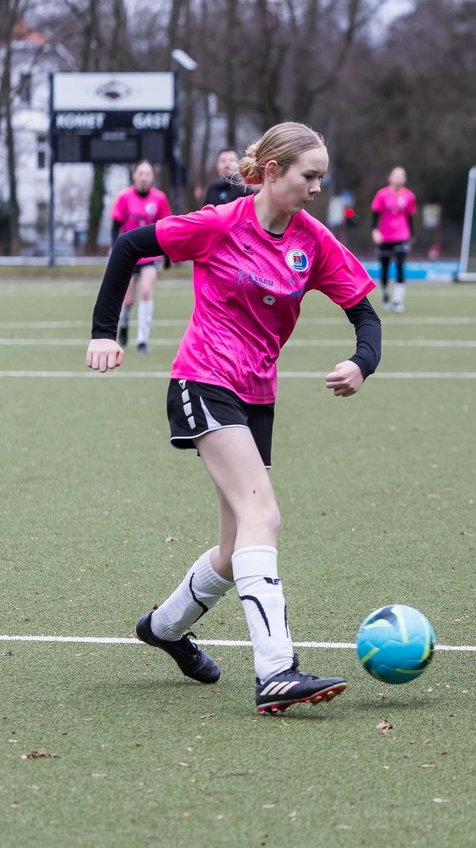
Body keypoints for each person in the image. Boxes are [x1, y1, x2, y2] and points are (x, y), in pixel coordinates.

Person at [86, 122, 382, 715]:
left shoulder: (313, 241)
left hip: (257, 397)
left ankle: (164, 628)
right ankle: (276, 670)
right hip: (203, 380)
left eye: (321, 177)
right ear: (272, 172)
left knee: (233, 548)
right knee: (263, 515)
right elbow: (128, 249)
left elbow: (364, 315)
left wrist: (361, 363)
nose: (317, 188)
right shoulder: (220, 223)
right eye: (309, 176)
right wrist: (103, 333)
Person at [110, 159, 172, 353]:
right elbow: (115, 226)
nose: (144, 177)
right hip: (129, 254)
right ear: (134, 176)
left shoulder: (159, 198)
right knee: (127, 300)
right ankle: (125, 325)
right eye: (141, 173)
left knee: (146, 291)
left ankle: (142, 340)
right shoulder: (124, 197)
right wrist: (116, 251)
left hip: (151, 255)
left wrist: (168, 254)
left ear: (152, 177)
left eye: (148, 174)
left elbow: (167, 226)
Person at [370, 166, 417, 312]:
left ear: (405, 179)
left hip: (402, 235)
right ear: (390, 177)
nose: (398, 178)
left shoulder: (409, 196)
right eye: (395, 175)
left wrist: (412, 235)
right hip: (384, 236)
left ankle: (398, 300)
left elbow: (410, 217)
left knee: (400, 266)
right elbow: (375, 214)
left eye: (401, 175)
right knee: (384, 268)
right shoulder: (382, 194)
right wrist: (375, 231)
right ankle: (385, 294)